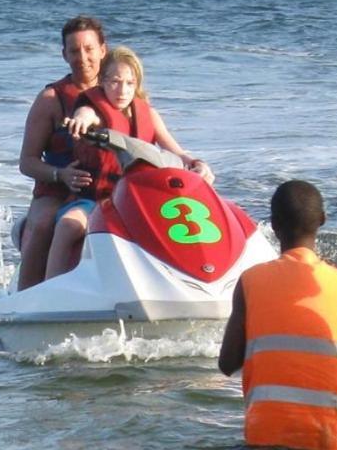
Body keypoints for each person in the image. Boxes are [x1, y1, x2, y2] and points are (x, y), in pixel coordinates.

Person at [218, 181, 337, 450]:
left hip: (267, 433)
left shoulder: (251, 281)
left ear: (273, 225)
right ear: (322, 221)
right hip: (332, 438)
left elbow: (227, 363)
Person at [45, 46, 212, 278]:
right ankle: (51, 291)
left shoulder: (147, 114)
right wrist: (80, 120)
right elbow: (86, 114)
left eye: (129, 83)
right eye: (115, 81)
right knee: (68, 225)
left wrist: (197, 164)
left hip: (136, 201)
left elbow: (177, 152)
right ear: (102, 81)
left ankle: (196, 276)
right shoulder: (93, 109)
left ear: (137, 84)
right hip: (94, 200)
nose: (122, 90)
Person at [15, 15, 107, 291]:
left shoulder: (120, 92)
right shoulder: (51, 100)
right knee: (44, 224)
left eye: (89, 49)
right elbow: (27, 162)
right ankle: (27, 297)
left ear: (103, 50)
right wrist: (60, 175)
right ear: (64, 55)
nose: (83, 57)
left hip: (107, 188)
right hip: (55, 189)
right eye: (74, 51)